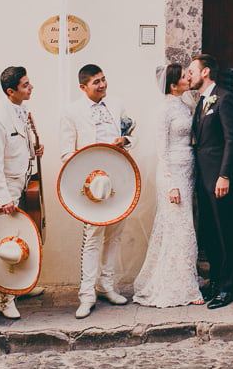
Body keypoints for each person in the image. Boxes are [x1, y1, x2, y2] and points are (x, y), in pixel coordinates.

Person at [61, 64, 136, 319]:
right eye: (96, 82)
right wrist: (88, 162)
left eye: (104, 79)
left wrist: (125, 141)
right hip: (91, 185)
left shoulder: (116, 104)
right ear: (83, 87)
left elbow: (131, 134)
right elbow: (65, 153)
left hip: (118, 180)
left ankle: (107, 285)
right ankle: (86, 294)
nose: (102, 85)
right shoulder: (71, 112)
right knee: (92, 238)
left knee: (115, 235)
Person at [133, 63, 204, 307]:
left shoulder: (185, 105)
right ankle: (183, 287)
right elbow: (161, 150)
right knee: (181, 229)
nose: (189, 78)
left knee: (181, 227)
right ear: (174, 85)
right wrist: (171, 184)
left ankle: (185, 277)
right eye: (185, 76)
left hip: (188, 171)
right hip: (173, 173)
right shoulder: (164, 110)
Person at [0, 66, 45, 319]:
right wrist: (3, 198)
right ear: (11, 91)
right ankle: (4, 297)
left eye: (29, 83)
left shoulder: (25, 112)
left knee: (23, 237)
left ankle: (19, 286)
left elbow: (20, 146)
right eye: (25, 85)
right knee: (7, 242)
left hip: (24, 180)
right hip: (8, 186)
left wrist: (35, 150)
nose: (30, 87)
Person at [187, 54, 233, 309]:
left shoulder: (225, 98)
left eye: (191, 71)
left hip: (218, 177)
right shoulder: (202, 101)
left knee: (224, 232)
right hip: (203, 177)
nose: (188, 76)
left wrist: (224, 175)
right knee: (209, 232)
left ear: (205, 71)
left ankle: (229, 288)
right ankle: (215, 282)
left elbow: (231, 139)